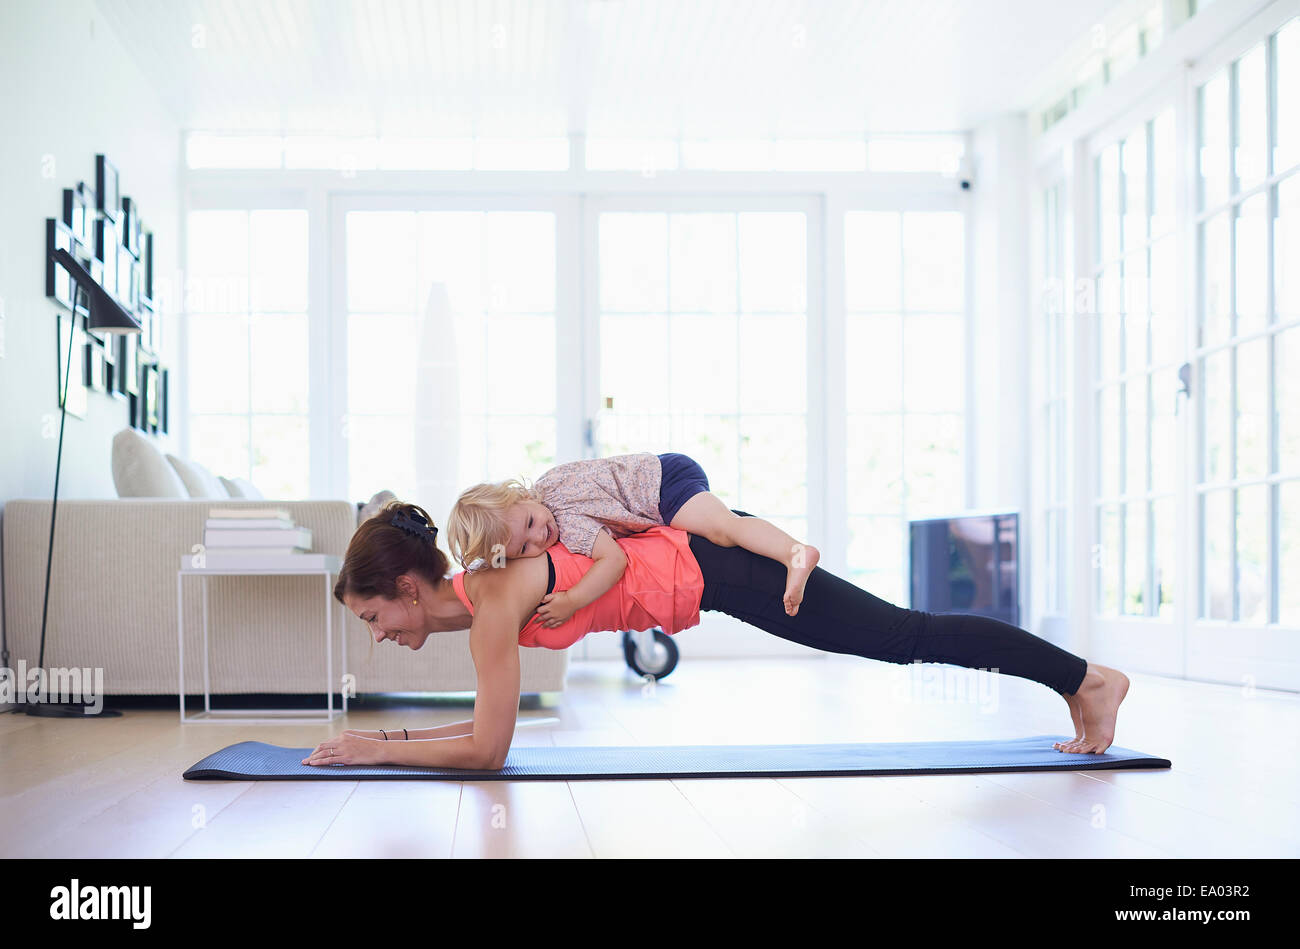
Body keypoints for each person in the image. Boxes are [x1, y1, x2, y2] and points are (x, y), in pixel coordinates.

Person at [304, 499, 1129, 769]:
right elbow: (490, 732)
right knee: (904, 635)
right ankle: (1077, 680)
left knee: (904, 635)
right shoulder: (485, 599)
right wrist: (393, 736)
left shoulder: (487, 607)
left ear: (407, 587)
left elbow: (488, 750)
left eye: (375, 617)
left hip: (720, 568)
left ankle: (1086, 677)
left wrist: (380, 747)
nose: (378, 635)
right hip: (710, 578)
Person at [444, 452, 820, 620]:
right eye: (524, 548)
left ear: (522, 495)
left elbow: (615, 561)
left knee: (724, 529)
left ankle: (795, 553)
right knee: (721, 529)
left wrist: (572, 600)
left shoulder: (567, 522)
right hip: (663, 467)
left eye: (529, 522)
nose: (539, 537)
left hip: (663, 485)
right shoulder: (550, 482)